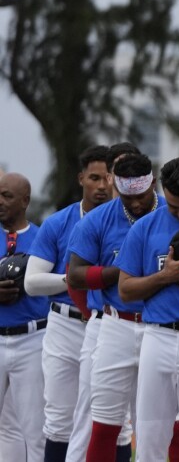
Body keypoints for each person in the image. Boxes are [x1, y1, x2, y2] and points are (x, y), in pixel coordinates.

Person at [116, 157, 179, 462]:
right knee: (150, 437)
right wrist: (166, 276)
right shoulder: (145, 227)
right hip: (157, 336)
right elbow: (125, 290)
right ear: (162, 190)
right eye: (174, 206)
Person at [24, 145, 114, 462]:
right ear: (81, 179)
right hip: (64, 322)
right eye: (94, 178)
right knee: (60, 420)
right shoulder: (59, 222)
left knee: (114, 418)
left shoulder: (126, 221)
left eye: (108, 177)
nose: (102, 185)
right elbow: (32, 282)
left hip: (110, 323)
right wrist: (77, 279)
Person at [69, 151, 160, 462]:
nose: (135, 203)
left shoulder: (173, 214)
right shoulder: (100, 218)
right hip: (116, 323)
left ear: (153, 183)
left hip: (159, 327)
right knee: (104, 421)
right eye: (127, 195)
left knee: (158, 424)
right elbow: (75, 275)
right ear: (115, 185)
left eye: (141, 194)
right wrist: (123, 272)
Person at [0, 172, 48, 462]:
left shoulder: (43, 237)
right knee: (7, 428)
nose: (0, 201)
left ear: (25, 201)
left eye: (7, 196)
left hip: (33, 338)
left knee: (33, 427)